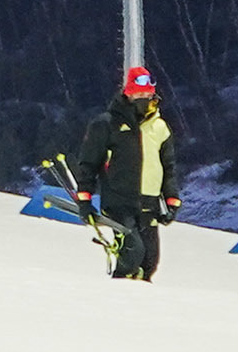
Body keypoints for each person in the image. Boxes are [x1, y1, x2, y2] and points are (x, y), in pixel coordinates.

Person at [69, 65, 183, 282]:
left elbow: (168, 166)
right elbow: (89, 164)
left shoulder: (159, 127)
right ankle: (119, 292)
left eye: (147, 94)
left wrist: (172, 198)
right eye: (138, 94)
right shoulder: (106, 124)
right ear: (128, 94)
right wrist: (84, 199)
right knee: (132, 253)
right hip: (119, 202)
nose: (143, 99)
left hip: (149, 204)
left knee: (149, 261)